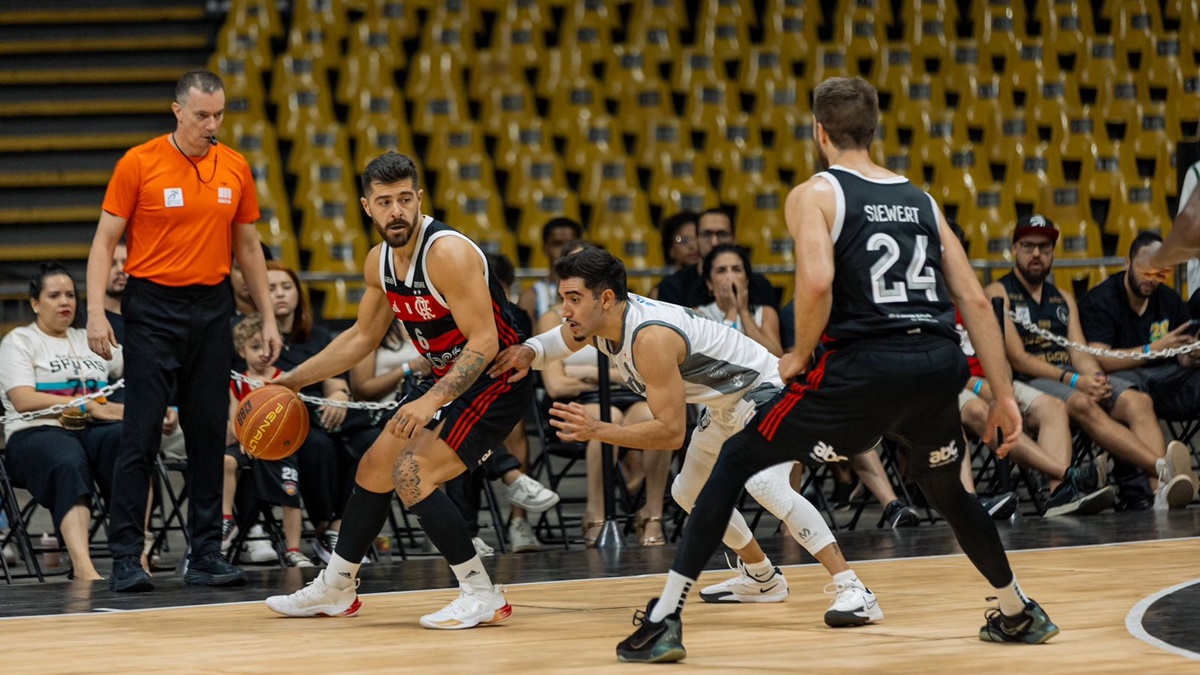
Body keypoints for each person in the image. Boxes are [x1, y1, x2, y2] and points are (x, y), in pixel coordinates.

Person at [613, 77, 1056, 663]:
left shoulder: (816, 194)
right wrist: (1002, 396)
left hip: (865, 369)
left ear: (819, 132)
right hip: (935, 365)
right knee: (947, 490)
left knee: (736, 460)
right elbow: (975, 302)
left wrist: (797, 355)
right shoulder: (921, 199)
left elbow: (818, 280)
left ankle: (666, 618)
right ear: (873, 130)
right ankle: (1018, 610)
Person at [490, 247, 882, 624]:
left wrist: (597, 429)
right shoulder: (602, 321)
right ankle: (762, 577)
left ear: (605, 298)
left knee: (766, 484)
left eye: (573, 299)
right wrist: (528, 350)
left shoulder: (650, 338)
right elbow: (560, 338)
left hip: (764, 393)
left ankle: (854, 588)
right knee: (688, 492)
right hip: (727, 404)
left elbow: (670, 433)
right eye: (563, 298)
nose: (565, 310)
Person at [264, 151, 536, 629]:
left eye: (405, 199)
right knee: (373, 468)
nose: (397, 211)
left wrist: (432, 399)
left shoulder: (446, 253)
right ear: (367, 206)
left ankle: (481, 592)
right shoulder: (380, 262)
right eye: (385, 201)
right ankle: (337, 586)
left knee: (412, 474)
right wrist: (293, 380)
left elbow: (485, 340)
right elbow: (362, 337)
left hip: (493, 381)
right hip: (446, 381)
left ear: (419, 199)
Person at [86, 69, 280, 592]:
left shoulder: (235, 166)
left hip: (213, 306)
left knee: (207, 436)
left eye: (218, 114)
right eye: (202, 115)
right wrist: (97, 311)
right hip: (152, 305)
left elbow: (248, 248)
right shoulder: (139, 162)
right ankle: (127, 556)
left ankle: (205, 555)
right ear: (177, 111)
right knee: (141, 432)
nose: (212, 124)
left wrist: (265, 314)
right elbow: (105, 241)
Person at [985, 216, 1195, 510]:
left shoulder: (1064, 298)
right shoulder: (998, 293)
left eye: (1044, 247)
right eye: (1028, 246)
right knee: (1082, 402)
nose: (1036, 254)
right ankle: (1162, 467)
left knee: (1137, 400)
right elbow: (1018, 357)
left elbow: (1080, 352)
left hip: (1071, 376)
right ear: (1014, 249)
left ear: (1053, 252)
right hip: (1029, 380)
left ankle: (1161, 493)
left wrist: (1097, 379)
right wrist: (1075, 381)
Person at [532, 242, 665, 547]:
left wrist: (587, 374)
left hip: (629, 395)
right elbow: (556, 385)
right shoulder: (555, 319)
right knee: (606, 417)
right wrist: (599, 380)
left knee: (652, 416)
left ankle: (652, 512)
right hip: (578, 403)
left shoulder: (626, 318)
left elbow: (645, 375)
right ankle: (596, 513)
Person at [0, 263, 124, 582]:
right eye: (54, 295)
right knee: (68, 459)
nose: (64, 302)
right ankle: (83, 567)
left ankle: (136, 553)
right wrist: (84, 405)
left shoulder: (91, 338)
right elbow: (23, 399)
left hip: (91, 431)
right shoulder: (20, 341)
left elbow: (137, 373)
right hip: (34, 433)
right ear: (35, 303)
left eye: (70, 294)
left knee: (129, 444)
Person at [223, 313, 314, 568]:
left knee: (290, 492)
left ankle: (294, 548)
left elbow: (294, 420)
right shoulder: (237, 382)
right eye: (254, 347)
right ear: (241, 350)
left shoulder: (284, 379)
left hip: (278, 447)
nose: (262, 353)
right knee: (226, 462)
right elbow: (233, 421)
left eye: (267, 346)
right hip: (246, 444)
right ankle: (226, 519)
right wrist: (244, 438)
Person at [1081, 231, 1200, 426]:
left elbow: (1182, 356)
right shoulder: (1101, 300)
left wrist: (1192, 355)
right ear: (1127, 262)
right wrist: (1151, 351)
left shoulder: (1168, 299)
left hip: (1165, 377)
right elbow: (1098, 357)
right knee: (1133, 394)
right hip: (1122, 378)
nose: (1151, 277)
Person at [656, 207, 778, 310]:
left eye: (722, 234)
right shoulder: (673, 287)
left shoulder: (760, 285)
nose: (714, 242)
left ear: (734, 239)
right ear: (697, 239)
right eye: (706, 235)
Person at [694, 244, 784, 356]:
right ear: (709, 284)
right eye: (721, 271)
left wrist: (744, 312)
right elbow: (721, 358)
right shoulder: (699, 315)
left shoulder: (766, 313)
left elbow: (776, 356)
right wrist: (731, 312)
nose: (730, 276)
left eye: (736, 270)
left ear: (746, 280)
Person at [517, 217, 584, 324]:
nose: (564, 249)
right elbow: (529, 340)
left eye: (570, 244)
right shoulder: (531, 297)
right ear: (545, 248)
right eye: (557, 243)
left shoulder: (593, 291)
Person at [649, 211, 700, 300]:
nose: (693, 246)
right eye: (684, 240)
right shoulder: (660, 292)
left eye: (698, 239)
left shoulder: (714, 288)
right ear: (670, 249)